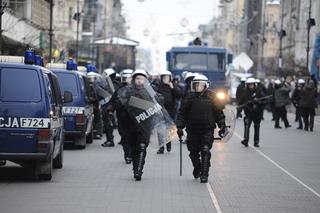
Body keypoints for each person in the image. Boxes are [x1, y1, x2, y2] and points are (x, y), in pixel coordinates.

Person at [176, 74, 226, 183]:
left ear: (206, 85)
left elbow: (218, 112)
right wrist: (179, 126)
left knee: (205, 150)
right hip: (192, 129)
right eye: (196, 85)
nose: (198, 87)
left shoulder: (212, 96)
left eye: (200, 85)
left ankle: (204, 174)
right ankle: (197, 167)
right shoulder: (189, 96)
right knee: (193, 152)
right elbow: (182, 113)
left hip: (207, 129)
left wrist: (222, 125)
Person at [106, 69, 154, 181]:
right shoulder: (124, 91)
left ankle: (138, 170)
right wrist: (110, 109)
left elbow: (158, 104)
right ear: (133, 80)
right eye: (137, 78)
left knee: (142, 147)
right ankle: (134, 166)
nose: (139, 81)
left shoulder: (151, 91)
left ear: (145, 80)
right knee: (133, 148)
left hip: (144, 125)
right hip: (129, 125)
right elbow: (114, 102)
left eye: (142, 78)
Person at [153, 70, 182, 154]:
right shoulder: (158, 86)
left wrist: (172, 87)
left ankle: (168, 143)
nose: (165, 79)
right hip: (160, 111)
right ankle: (161, 147)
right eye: (164, 77)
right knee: (160, 129)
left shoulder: (173, 86)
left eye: (167, 77)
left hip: (171, 111)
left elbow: (179, 95)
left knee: (169, 128)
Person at [239, 78, 265, 148]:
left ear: (254, 84)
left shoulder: (259, 91)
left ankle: (256, 142)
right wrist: (239, 112)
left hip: (257, 113)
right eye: (249, 85)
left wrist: (258, 102)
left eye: (252, 84)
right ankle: (246, 140)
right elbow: (240, 102)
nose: (251, 86)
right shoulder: (245, 92)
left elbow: (264, 101)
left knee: (257, 127)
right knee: (247, 125)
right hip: (248, 112)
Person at [101, 68, 120, 147]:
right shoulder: (113, 83)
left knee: (108, 123)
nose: (104, 76)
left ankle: (110, 140)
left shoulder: (112, 84)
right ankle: (109, 139)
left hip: (110, 106)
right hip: (109, 106)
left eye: (105, 75)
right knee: (108, 123)